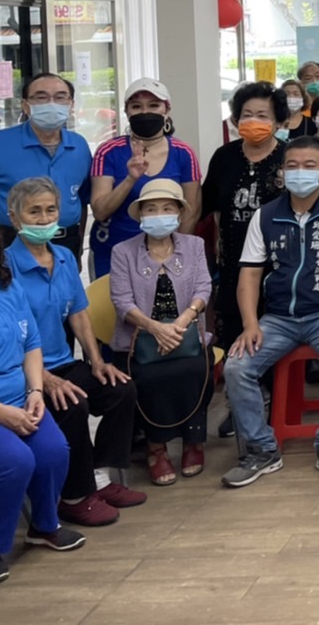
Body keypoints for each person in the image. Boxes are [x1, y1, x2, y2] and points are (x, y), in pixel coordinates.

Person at [0, 205, 84, 584]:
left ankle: (44, 526)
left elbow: (31, 343)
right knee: (14, 460)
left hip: (17, 399)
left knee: (54, 450)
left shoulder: (6, 284)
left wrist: (36, 390)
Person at [222, 137, 319, 489]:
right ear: (282, 172)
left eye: (309, 166)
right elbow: (249, 275)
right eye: (292, 166)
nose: (300, 172)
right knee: (236, 366)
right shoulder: (265, 215)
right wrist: (250, 324)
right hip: (278, 319)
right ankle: (262, 449)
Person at [6, 178, 142, 526]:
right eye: (34, 212)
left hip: (63, 362)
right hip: (23, 375)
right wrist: (43, 380)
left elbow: (78, 315)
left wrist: (96, 361)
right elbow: (6, 336)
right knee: (72, 404)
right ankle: (74, 496)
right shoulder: (4, 268)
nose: (44, 218)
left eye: (50, 210)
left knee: (120, 389)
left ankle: (98, 477)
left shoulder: (64, 257)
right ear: (15, 217)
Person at [110, 180, 214, 486]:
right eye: (151, 209)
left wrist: (181, 323)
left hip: (186, 333)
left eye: (167, 208)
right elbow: (121, 300)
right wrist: (156, 328)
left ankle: (194, 442)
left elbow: (204, 287)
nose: (159, 215)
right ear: (141, 214)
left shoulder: (194, 246)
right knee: (147, 377)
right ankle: (156, 448)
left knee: (198, 368)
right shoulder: (122, 252)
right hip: (140, 338)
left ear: (179, 213)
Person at [0, 72, 92, 253]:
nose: (51, 103)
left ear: (71, 105)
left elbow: (82, 201)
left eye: (60, 97)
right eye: (41, 97)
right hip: (9, 242)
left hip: (67, 242)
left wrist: (79, 244)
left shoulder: (79, 145)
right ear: (26, 106)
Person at [201, 82, 287, 349]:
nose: (253, 121)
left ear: (278, 122)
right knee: (235, 335)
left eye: (262, 115)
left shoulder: (288, 157)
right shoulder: (224, 156)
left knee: (274, 338)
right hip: (232, 263)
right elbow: (205, 204)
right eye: (247, 114)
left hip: (278, 263)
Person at [88, 80, 200, 280]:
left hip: (166, 255)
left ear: (167, 110)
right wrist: (130, 179)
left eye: (154, 105)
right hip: (111, 253)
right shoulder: (108, 152)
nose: (145, 112)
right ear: (127, 111)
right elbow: (100, 211)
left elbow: (191, 211)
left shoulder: (183, 153)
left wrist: (177, 252)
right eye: (136, 106)